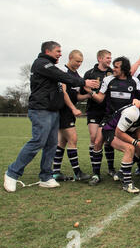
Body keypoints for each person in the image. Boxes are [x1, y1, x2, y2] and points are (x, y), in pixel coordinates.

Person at [4, 41, 99, 192]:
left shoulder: (50, 65)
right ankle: (12, 173)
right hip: (41, 110)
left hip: (53, 111)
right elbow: (62, 76)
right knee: (38, 141)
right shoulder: (42, 63)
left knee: (51, 145)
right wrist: (84, 82)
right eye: (58, 51)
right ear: (48, 51)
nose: (60, 54)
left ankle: (46, 177)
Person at [87, 56, 140, 185]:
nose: (113, 69)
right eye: (113, 66)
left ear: (124, 69)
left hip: (127, 120)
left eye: (116, 67)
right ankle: (96, 174)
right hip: (109, 118)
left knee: (138, 146)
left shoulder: (134, 81)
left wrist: (138, 100)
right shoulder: (108, 80)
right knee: (97, 142)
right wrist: (90, 92)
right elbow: (100, 98)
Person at [101, 94, 140, 193]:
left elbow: (139, 126)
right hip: (111, 130)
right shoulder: (132, 113)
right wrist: (136, 142)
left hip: (127, 131)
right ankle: (127, 183)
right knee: (129, 148)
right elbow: (119, 133)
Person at [52, 50, 92, 182]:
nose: (79, 64)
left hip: (69, 111)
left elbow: (76, 96)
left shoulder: (76, 75)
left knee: (62, 141)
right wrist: (73, 108)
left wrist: (88, 95)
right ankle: (77, 173)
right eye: (77, 61)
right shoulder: (63, 71)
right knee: (73, 139)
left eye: (81, 62)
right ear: (70, 58)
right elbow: (63, 93)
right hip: (63, 110)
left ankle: (55, 172)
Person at [83, 50, 117, 179]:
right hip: (94, 110)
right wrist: (90, 89)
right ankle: (95, 171)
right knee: (94, 138)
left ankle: (111, 168)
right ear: (99, 58)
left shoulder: (113, 72)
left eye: (110, 58)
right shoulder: (90, 73)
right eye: (107, 58)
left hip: (109, 111)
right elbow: (83, 89)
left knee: (108, 140)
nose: (109, 60)